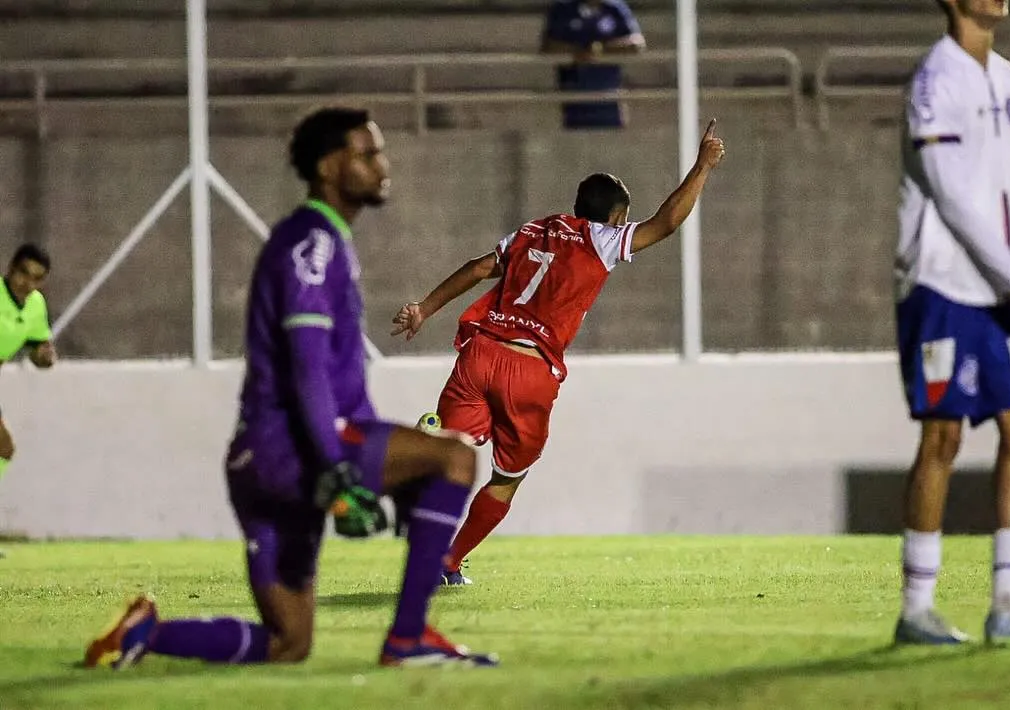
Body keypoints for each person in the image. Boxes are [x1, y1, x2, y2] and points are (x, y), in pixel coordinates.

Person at [83, 108, 498, 669]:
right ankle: (407, 639)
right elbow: (307, 367)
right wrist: (337, 467)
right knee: (456, 457)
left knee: (289, 644)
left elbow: (338, 380)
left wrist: (386, 466)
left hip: (257, 463)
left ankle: (146, 634)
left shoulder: (323, 241)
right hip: (292, 449)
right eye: (367, 153)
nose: (383, 164)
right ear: (330, 167)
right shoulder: (313, 244)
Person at [392, 120, 726, 585]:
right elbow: (666, 223)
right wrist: (702, 166)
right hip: (529, 370)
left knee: (456, 454)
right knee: (507, 478)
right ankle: (448, 563)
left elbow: (479, 268)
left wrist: (424, 307)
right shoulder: (602, 239)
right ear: (614, 218)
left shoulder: (533, 231)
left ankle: (432, 444)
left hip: (480, 354)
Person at [893, 0, 1010, 646]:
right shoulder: (935, 79)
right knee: (942, 439)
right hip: (939, 282)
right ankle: (916, 609)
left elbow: (1005, 197)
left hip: (997, 290)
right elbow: (949, 192)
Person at [541, 0, 646, 129]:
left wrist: (600, 49)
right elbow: (549, 47)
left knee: (611, 144)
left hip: (609, 96)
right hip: (574, 98)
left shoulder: (615, 8)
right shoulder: (563, 8)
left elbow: (637, 44)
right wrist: (578, 52)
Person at [0, 244, 57, 482]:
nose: (28, 284)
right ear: (11, 268)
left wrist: (44, 357)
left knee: (4, 450)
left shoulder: (35, 305)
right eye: (24, 273)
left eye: (37, 279)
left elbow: (37, 349)